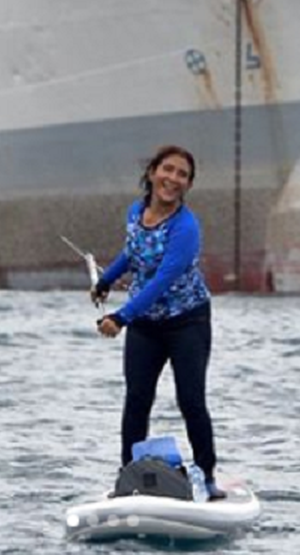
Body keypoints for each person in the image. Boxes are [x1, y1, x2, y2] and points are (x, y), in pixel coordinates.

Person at [93, 145, 226, 501]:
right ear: (152, 172)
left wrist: (120, 317)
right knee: (137, 400)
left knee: (191, 401)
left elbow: (162, 280)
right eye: (168, 170)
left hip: (187, 323)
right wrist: (105, 280)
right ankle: (128, 476)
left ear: (188, 185)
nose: (173, 179)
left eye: (183, 175)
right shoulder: (136, 212)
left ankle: (208, 478)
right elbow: (132, 253)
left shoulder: (186, 228)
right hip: (146, 326)